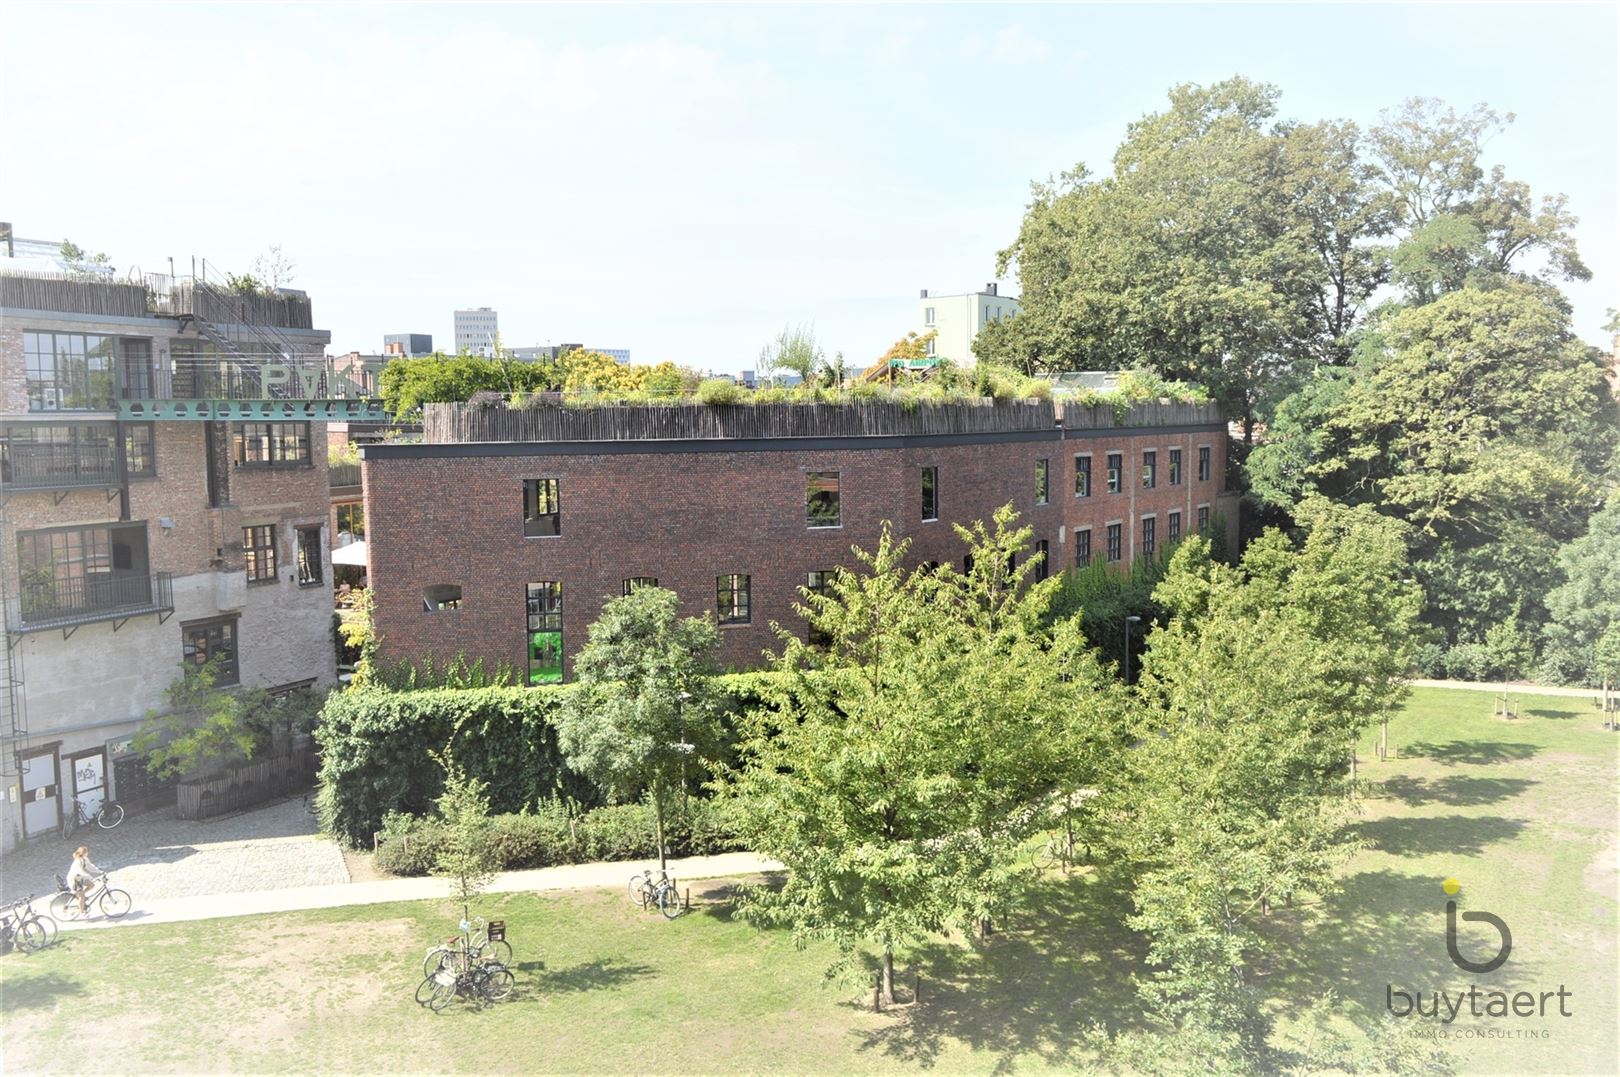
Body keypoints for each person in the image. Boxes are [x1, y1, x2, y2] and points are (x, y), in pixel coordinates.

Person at [66, 845, 103, 915]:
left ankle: (81, 894)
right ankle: (82, 913)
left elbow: (90, 867)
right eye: (85, 852)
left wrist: (99, 871)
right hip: (74, 879)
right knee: (81, 897)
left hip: (80, 877)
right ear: (82, 853)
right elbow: (79, 871)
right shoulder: (78, 861)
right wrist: (89, 876)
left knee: (91, 885)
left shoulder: (85, 859)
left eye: (87, 852)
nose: (87, 853)